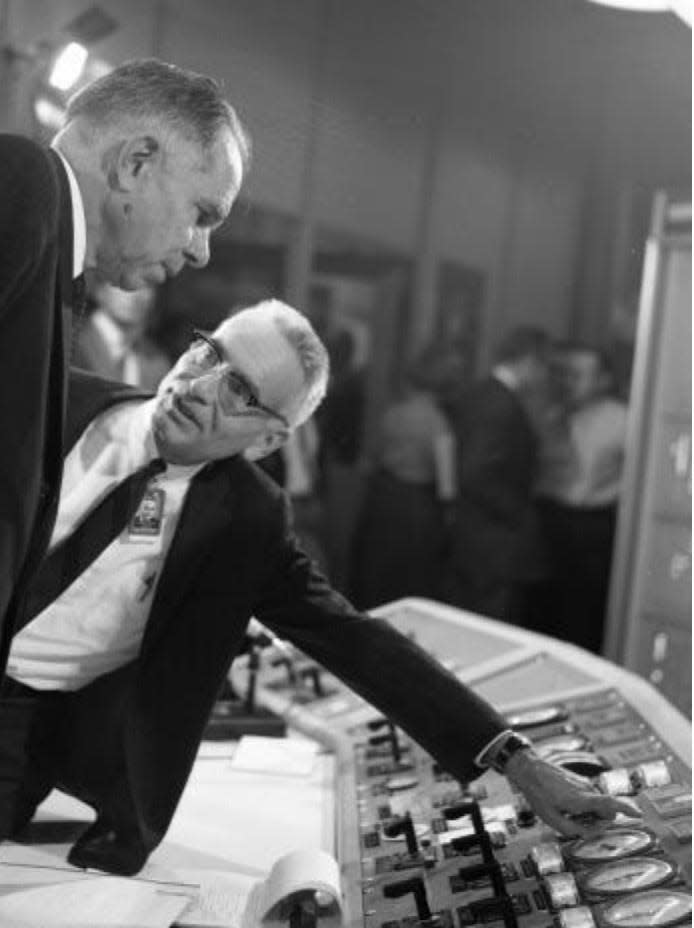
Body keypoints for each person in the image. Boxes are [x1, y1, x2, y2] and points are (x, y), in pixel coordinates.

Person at [0, 301, 636, 877]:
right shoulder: (46, 397)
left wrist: (517, 762)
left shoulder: (246, 523)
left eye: (241, 391)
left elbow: (355, 641)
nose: (199, 386)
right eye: (210, 352)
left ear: (270, 441)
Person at [0, 58, 250, 677]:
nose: (201, 249)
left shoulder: (56, 254)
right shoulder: (22, 183)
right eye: (202, 213)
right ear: (136, 163)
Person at [445, 326, 550, 626]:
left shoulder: (482, 393)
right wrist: (518, 513)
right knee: (490, 624)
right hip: (492, 543)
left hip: (475, 536)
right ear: (530, 361)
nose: (545, 378)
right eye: (545, 367)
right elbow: (477, 472)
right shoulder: (501, 405)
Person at [535, 344, 628, 653]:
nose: (567, 382)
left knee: (581, 616)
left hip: (592, 530)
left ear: (602, 380)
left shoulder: (623, 420)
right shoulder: (551, 413)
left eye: (577, 375)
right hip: (549, 521)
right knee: (544, 613)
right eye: (563, 374)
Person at [351, 345, 457, 607]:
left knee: (375, 576)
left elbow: (370, 459)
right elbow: (447, 486)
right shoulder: (439, 424)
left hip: (382, 502)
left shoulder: (394, 413)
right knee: (409, 583)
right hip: (417, 512)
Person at [73, 282, 171, 390]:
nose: (135, 294)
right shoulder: (72, 346)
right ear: (99, 290)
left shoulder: (157, 363)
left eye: (147, 284)